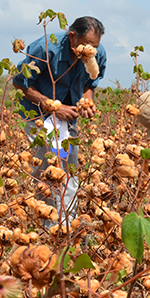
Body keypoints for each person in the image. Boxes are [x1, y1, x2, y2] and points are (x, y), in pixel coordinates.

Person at [12, 16, 107, 217]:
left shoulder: (97, 54)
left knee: (69, 167)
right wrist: (53, 107)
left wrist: (87, 102)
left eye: (95, 46)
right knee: (47, 169)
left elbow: (90, 84)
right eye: (86, 45)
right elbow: (21, 84)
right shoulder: (46, 49)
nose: (90, 50)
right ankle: (47, 223)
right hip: (37, 115)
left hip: (68, 118)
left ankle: (66, 225)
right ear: (72, 36)